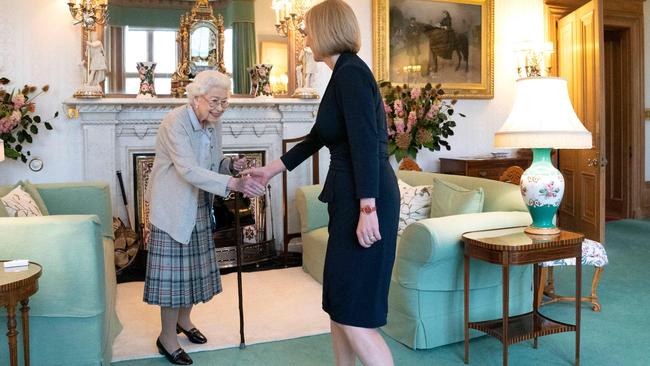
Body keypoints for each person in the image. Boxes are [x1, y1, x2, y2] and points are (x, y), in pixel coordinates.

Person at [242, 1, 399, 365]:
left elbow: (364, 146)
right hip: (350, 197)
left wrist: (368, 208)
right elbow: (317, 137)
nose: (305, 36)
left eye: (309, 29)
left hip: (365, 198)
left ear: (327, 30)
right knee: (341, 304)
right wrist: (270, 170)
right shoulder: (341, 73)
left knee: (355, 313)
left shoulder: (352, 75)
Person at [144, 70, 265, 365]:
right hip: (173, 206)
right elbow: (187, 169)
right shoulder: (175, 122)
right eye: (214, 101)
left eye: (225, 102)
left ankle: (184, 322)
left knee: (192, 274)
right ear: (196, 97)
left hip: (198, 203)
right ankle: (167, 338)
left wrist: (229, 165)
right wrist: (233, 184)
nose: (220, 108)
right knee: (173, 280)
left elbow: (209, 163)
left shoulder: (213, 123)